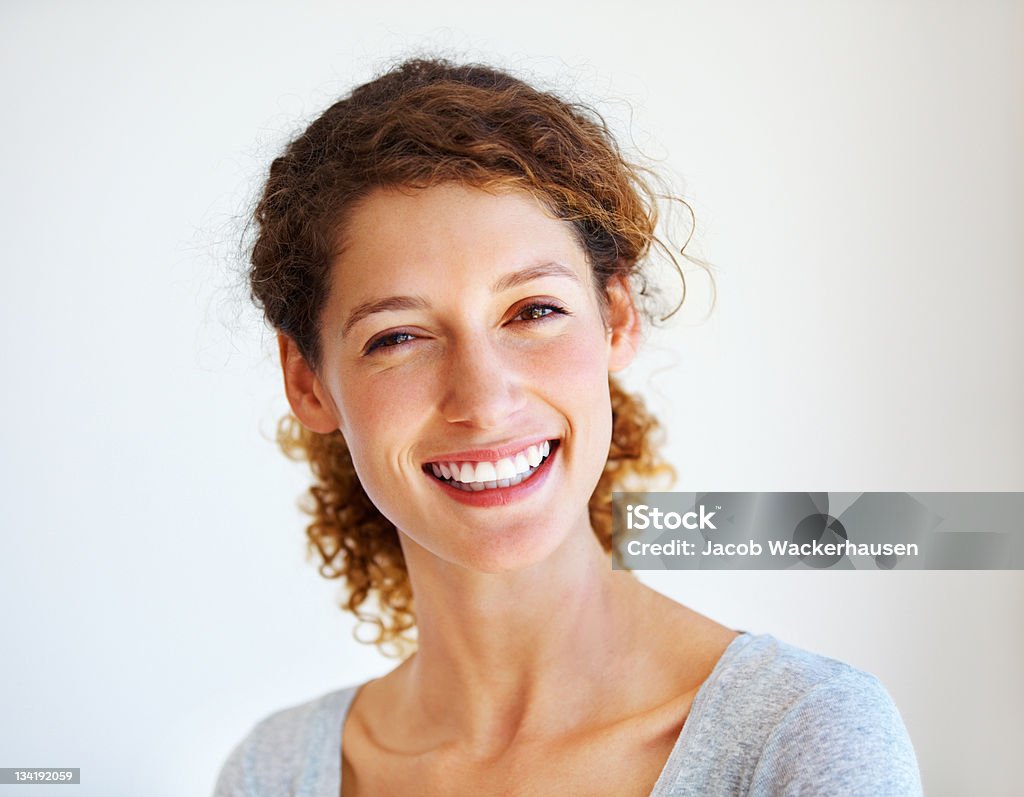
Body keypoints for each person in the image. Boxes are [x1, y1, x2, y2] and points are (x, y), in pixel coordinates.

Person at [214, 58, 922, 796]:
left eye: (533, 311)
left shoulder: (800, 737)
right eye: (398, 337)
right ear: (306, 379)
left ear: (617, 314)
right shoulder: (275, 772)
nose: (483, 401)